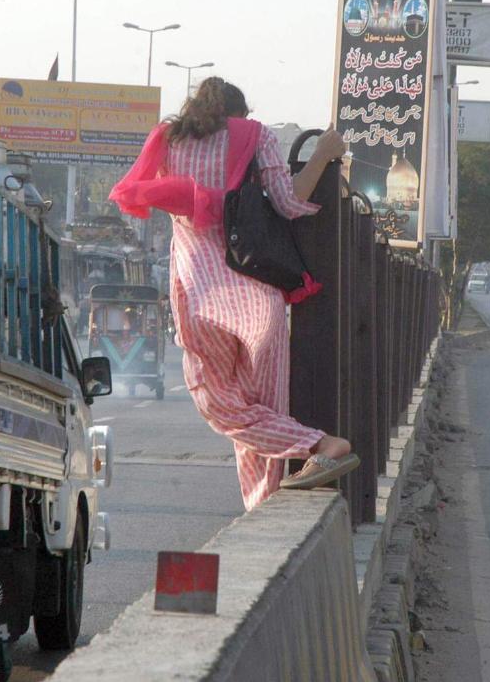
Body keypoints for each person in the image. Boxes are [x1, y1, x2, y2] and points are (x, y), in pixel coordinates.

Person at [109, 77, 358, 510]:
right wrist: (322, 152)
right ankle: (301, 465)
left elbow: (140, 193)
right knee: (265, 406)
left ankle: (307, 458)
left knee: (224, 407)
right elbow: (290, 202)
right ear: (238, 113)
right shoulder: (256, 134)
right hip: (258, 298)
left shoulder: (168, 140)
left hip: (200, 295)